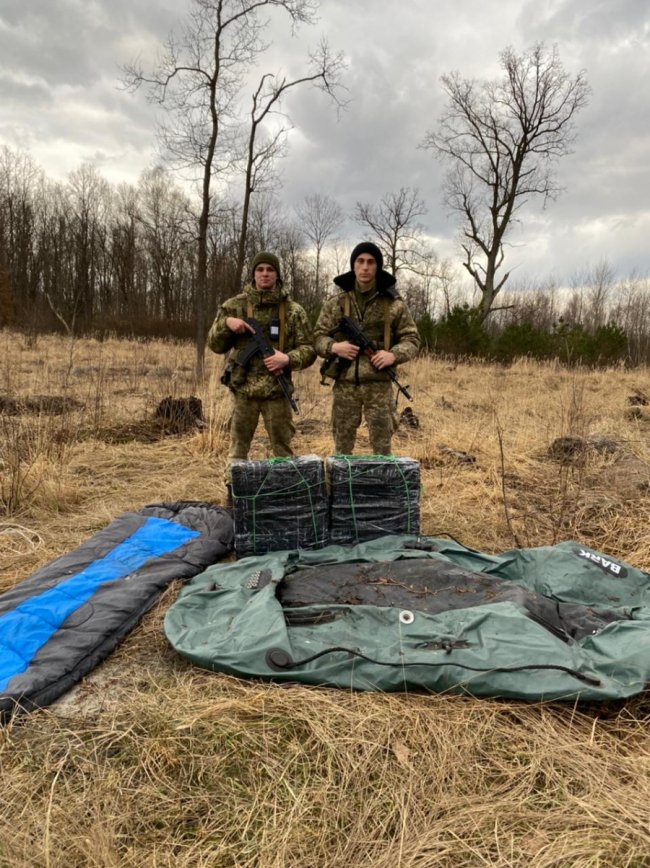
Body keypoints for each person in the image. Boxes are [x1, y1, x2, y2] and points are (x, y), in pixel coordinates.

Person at [208, 251, 316, 478]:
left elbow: (309, 350)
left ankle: (284, 499)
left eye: (270, 270)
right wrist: (227, 323)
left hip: (277, 393)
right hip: (243, 392)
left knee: (283, 455)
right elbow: (214, 345)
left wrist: (287, 359)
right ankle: (234, 497)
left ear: (277, 275)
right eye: (260, 269)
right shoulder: (233, 307)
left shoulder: (293, 311)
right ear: (253, 274)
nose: (265, 274)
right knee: (237, 453)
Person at [313, 241, 420, 455]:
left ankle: (380, 487)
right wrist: (335, 347)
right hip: (345, 386)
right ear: (353, 266)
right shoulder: (336, 303)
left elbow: (413, 339)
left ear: (377, 267)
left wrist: (393, 355)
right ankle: (343, 487)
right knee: (341, 450)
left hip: (379, 387)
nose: (365, 267)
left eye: (371, 262)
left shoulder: (394, 304)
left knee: (382, 449)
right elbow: (317, 337)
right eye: (360, 261)